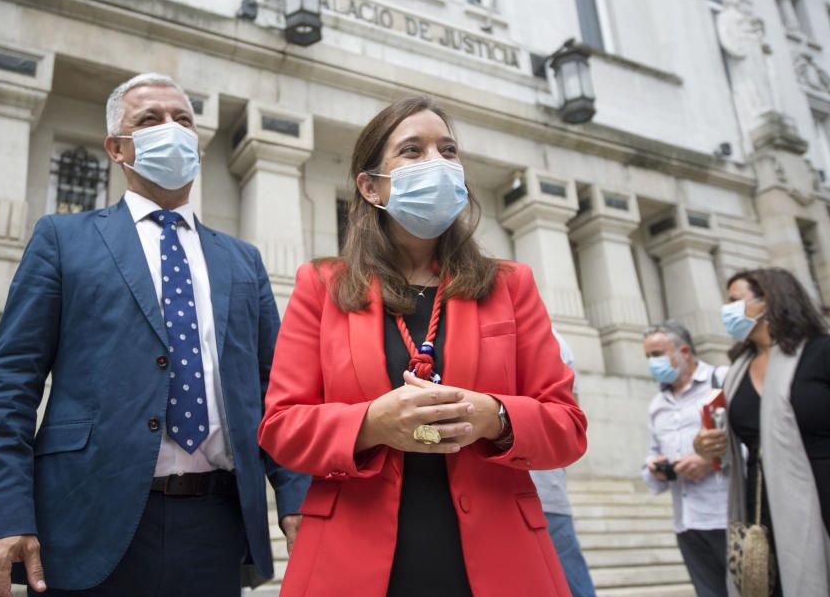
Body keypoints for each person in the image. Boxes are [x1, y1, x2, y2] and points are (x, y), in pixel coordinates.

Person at [0, 73, 309, 597]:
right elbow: (8, 387)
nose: (171, 129)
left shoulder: (244, 262)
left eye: (183, 120)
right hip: (87, 522)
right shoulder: (63, 240)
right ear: (117, 148)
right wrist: (0, 516)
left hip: (215, 529)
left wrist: (296, 499)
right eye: (150, 120)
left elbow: (277, 393)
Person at [258, 96, 588, 597]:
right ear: (371, 186)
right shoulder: (322, 285)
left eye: (448, 149)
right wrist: (370, 425)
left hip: (499, 555)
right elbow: (281, 427)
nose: (437, 162)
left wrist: (496, 416)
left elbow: (567, 426)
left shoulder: (511, 284)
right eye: (412, 150)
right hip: (351, 554)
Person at [694, 268, 830, 597]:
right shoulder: (735, 372)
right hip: (763, 504)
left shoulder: (821, 353)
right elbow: (732, 444)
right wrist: (706, 445)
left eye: (734, 301)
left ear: (766, 302)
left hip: (822, 492)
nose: (727, 311)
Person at [641, 321, 729, 597]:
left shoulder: (721, 381)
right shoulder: (658, 405)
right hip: (687, 522)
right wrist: (655, 469)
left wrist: (709, 459)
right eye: (648, 357)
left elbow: (753, 441)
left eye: (657, 353)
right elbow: (653, 455)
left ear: (685, 351)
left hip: (727, 514)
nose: (653, 363)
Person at [531, 329, 596, 597]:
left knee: (571, 584)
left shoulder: (552, 339)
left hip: (546, 494)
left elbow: (569, 421)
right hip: (494, 491)